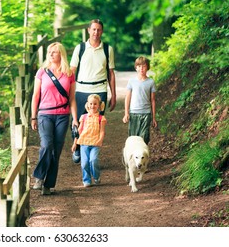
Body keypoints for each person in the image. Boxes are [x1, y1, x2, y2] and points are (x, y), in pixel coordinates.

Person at [31, 42, 78, 195]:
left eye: (54, 52)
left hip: (63, 116)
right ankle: (39, 177)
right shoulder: (42, 72)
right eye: (49, 52)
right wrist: (33, 117)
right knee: (46, 145)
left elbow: (72, 99)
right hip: (45, 114)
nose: (51, 54)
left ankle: (48, 184)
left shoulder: (69, 73)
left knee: (56, 151)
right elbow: (35, 96)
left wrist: (75, 119)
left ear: (61, 54)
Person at [70, 19, 116, 161]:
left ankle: (91, 154)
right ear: (89, 30)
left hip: (100, 89)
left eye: (99, 30)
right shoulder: (80, 48)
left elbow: (111, 73)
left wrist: (113, 95)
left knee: (95, 123)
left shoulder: (108, 49)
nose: (96, 32)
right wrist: (68, 92)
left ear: (102, 32)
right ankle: (77, 147)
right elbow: (72, 70)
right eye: (94, 29)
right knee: (78, 121)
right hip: (81, 89)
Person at [71, 94, 107, 187]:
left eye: (95, 104)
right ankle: (86, 180)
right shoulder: (83, 117)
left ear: (99, 105)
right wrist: (75, 143)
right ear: (88, 104)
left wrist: (100, 140)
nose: (92, 106)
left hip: (95, 143)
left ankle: (96, 176)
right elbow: (79, 131)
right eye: (91, 104)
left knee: (93, 160)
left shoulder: (101, 118)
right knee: (84, 163)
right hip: (84, 143)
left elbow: (102, 131)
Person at [122, 56, 157, 144]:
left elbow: (152, 100)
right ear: (136, 68)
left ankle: (143, 156)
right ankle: (133, 156)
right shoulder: (131, 81)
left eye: (144, 66)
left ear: (147, 67)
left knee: (144, 138)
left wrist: (153, 118)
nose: (141, 68)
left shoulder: (151, 82)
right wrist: (126, 113)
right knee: (133, 138)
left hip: (146, 113)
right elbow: (128, 97)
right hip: (134, 113)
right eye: (139, 66)